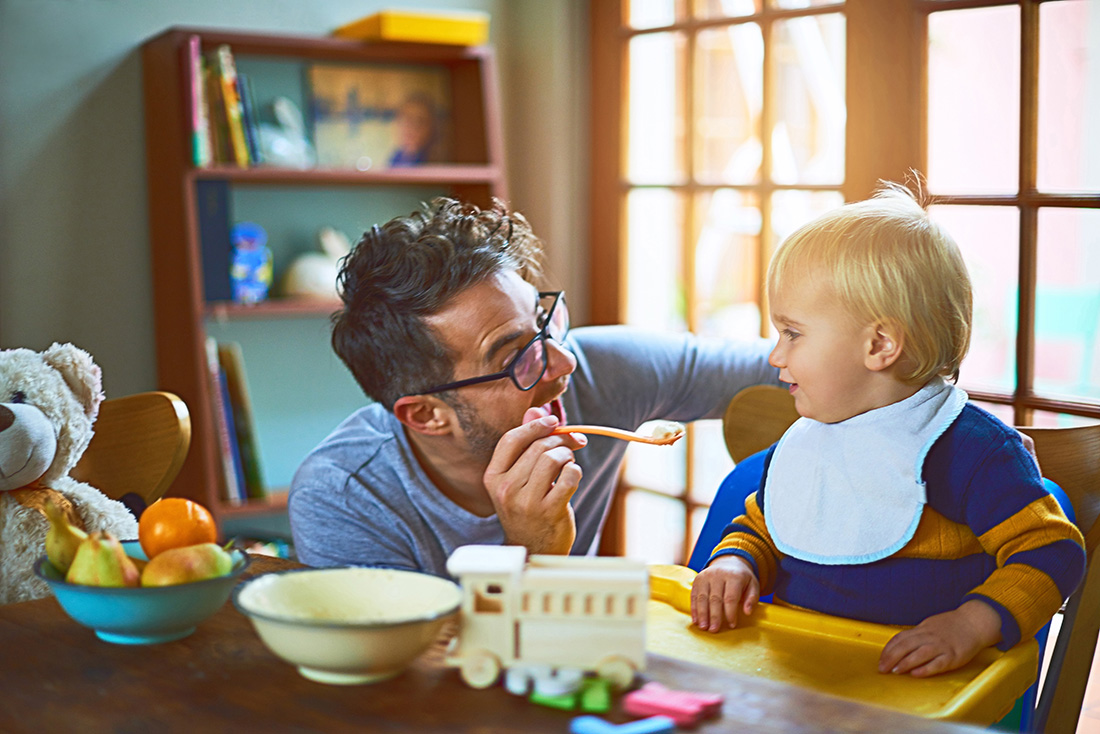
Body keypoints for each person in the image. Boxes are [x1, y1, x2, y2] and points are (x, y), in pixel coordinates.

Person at [690, 183, 1086, 678]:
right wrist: (735, 564)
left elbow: (1053, 551)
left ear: (879, 344)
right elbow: (767, 525)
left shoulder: (970, 452)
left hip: (919, 695)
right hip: (796, 677)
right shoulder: (809, 436)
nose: (775, 355)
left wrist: (970, 625)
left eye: (792, 333)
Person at [288, 197, 780, 577]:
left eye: (545, 321)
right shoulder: (344, 498)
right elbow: (422, 693)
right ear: (426, 415)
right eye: (516, 356)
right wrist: (535, 552)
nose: (564, 362)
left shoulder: (603, 371)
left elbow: (795, 367)